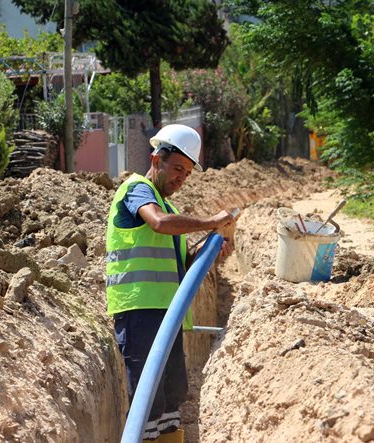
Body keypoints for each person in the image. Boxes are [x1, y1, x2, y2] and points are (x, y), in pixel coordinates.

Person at [106, 124, 234, 441]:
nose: (181, 177)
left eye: (187, 173)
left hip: (167, 314)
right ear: (155, 160)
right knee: (149, 402)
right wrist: (211, 221)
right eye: (177, 168)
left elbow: (181, 267)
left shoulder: (171, 208)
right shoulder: (136, 190)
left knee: (173, 396)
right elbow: (159, 224)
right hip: (139, 310)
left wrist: (210, 249)